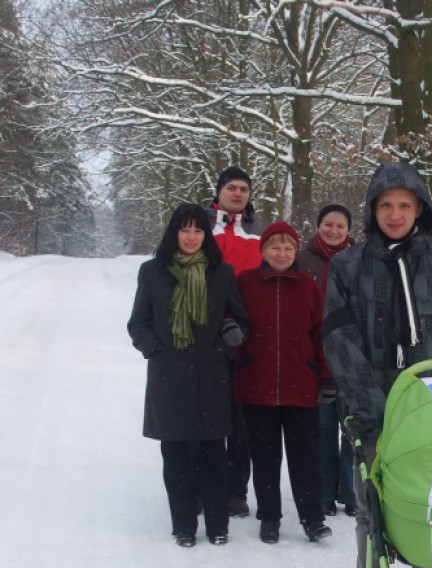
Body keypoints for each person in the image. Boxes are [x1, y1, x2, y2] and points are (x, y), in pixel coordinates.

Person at [322, 162, 432, 568]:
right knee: (371, 503)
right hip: (369, 405)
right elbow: (338, 335)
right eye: (386, 205)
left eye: (405, 205)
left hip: (431, 408)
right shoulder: (347, 266)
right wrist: (367, 401)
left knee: (429, 499)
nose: (395, 214)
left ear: (420, 210)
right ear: (373, 210)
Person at [127, 203, 249, 548]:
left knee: (215, 455)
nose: (192, 237)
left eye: (198, 230)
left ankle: (217, 526)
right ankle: (183, 526)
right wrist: (156, 350)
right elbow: (138, 322)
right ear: (174, 233)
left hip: (213, 377)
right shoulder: (152, 272)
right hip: (171, 378)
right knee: (177, 456)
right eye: (185, 229)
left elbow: (241, 319)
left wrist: (226, 347)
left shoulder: (221, 272)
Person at [235, 221, 334, 545]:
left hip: (300, 387)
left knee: (306, 458)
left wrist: (325, 375)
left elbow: (321, 336)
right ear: (263, 250)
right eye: (275, 247)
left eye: (288, 248)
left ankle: (312, 519)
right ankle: (269, 518)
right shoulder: (246, 283)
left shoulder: (308, 287)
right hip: (256, 386)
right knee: (265, 458)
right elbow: (231, 323)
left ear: (296, 252)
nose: (282, 253)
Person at [206, 166, 263, 519]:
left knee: (242, 422)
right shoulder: (200, 227)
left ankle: (236, 491)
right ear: (219, 191)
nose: (238, 193)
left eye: (243, 188)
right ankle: (202, 486)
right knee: (207, 417)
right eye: (232, 187)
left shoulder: (259, 232)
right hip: (208, 334)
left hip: (248, 337)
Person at [297, 204, 356, 518]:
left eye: (341, 226)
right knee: (319, 429)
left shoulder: (360, 259)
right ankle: (322, 493)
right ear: (318, 225)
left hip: (352, 356)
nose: (334, 231)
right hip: (314, 357)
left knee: (351, 427)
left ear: (348, 230)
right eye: (328, 224)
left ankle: (350, 493)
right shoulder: (302, 259)